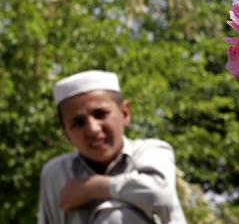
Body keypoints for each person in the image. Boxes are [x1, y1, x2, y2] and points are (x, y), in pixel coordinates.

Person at [37, 70, 187, 224]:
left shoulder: (152, 152)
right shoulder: (56, 173)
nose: (93, 129)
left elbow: (160, 195)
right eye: (79, 122)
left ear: (125, 113)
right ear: (66, 133)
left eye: (100, 114)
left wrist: (92, 188)